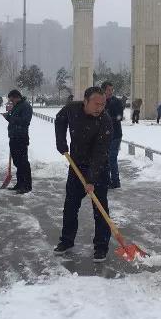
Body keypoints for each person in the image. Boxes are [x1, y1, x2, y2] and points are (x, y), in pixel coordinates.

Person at [54, 86, 114, 262]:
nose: (99, 108)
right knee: (71, 205)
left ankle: (101, 246)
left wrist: (91, 179)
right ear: (85, 101)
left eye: (102, 104)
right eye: (96, 104)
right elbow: (60, 119)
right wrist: (61, 141)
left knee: (100, 208)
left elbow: (100, 153)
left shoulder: (105, 121)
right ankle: (67, 241)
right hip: (76, 165)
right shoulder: (72, 109)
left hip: (99, 168)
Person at [3, 89, 33, 194]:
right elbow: (15, 119)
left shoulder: (26, 106)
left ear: (16, 97)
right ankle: (20, 184)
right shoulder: (17, 105)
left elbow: (25, 121)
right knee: (17, 162)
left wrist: (11, 118)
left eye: (12, 100)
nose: (11, 102)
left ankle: (27, 185)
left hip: (21, 137)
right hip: (14, 137)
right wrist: (8, 117)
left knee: (23, 162)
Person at [102, 81, 124, 189]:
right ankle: (106, 179)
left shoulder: (117, 102)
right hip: (103, 135)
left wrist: (109, 119)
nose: (110, 92)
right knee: (104, 158)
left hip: (115, 134)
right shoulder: (100, 101)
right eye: (108, 90)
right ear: (103, 90)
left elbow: (120, 116)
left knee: (112, 158)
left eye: (112, 90)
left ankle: (115, 181)